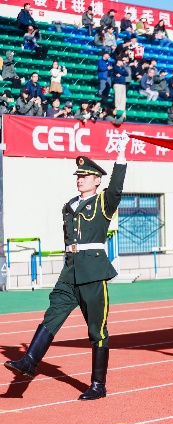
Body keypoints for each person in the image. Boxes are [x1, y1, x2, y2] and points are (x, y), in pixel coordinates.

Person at [4, 143, 128, 401]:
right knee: (53, 314)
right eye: (78, 176)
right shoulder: (70, 206)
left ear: (97, 180)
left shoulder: (103, 202)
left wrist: (120, 156)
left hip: (93, 271)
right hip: (70, 270)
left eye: (85, 176)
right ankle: (29, 361)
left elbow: (116, 188)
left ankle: (98, 385)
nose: (80, 180)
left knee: (97, 330)